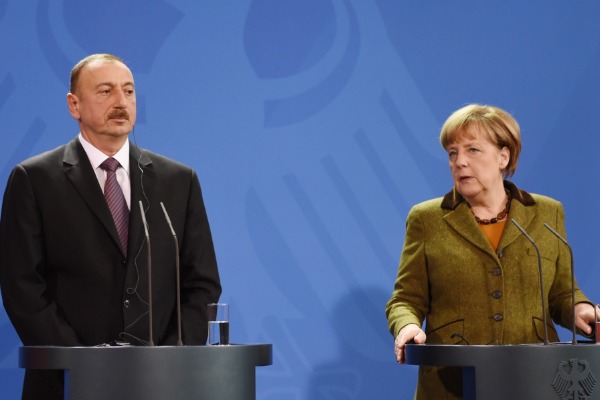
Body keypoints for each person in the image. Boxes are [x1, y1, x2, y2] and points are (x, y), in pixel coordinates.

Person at [0, 53, 222, 399]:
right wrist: (82, 362)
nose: (121, 102)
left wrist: (170, 357)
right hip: (67, 381)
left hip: (162, 381)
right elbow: (23, 288)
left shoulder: (179, 181)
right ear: (74, 105)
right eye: (105, 91)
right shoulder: (34, 179)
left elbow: (202, 283)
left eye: (128, 91)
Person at [385, 104, 598, 399]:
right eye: (452, 153)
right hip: (453, 382)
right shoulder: (427, 219)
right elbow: (406, 299)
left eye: (472, 150)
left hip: (533, 379)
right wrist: (407, 325)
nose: (460, 162)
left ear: (503, 157)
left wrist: (580, 309)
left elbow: (561, 293)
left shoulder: (548, 213)